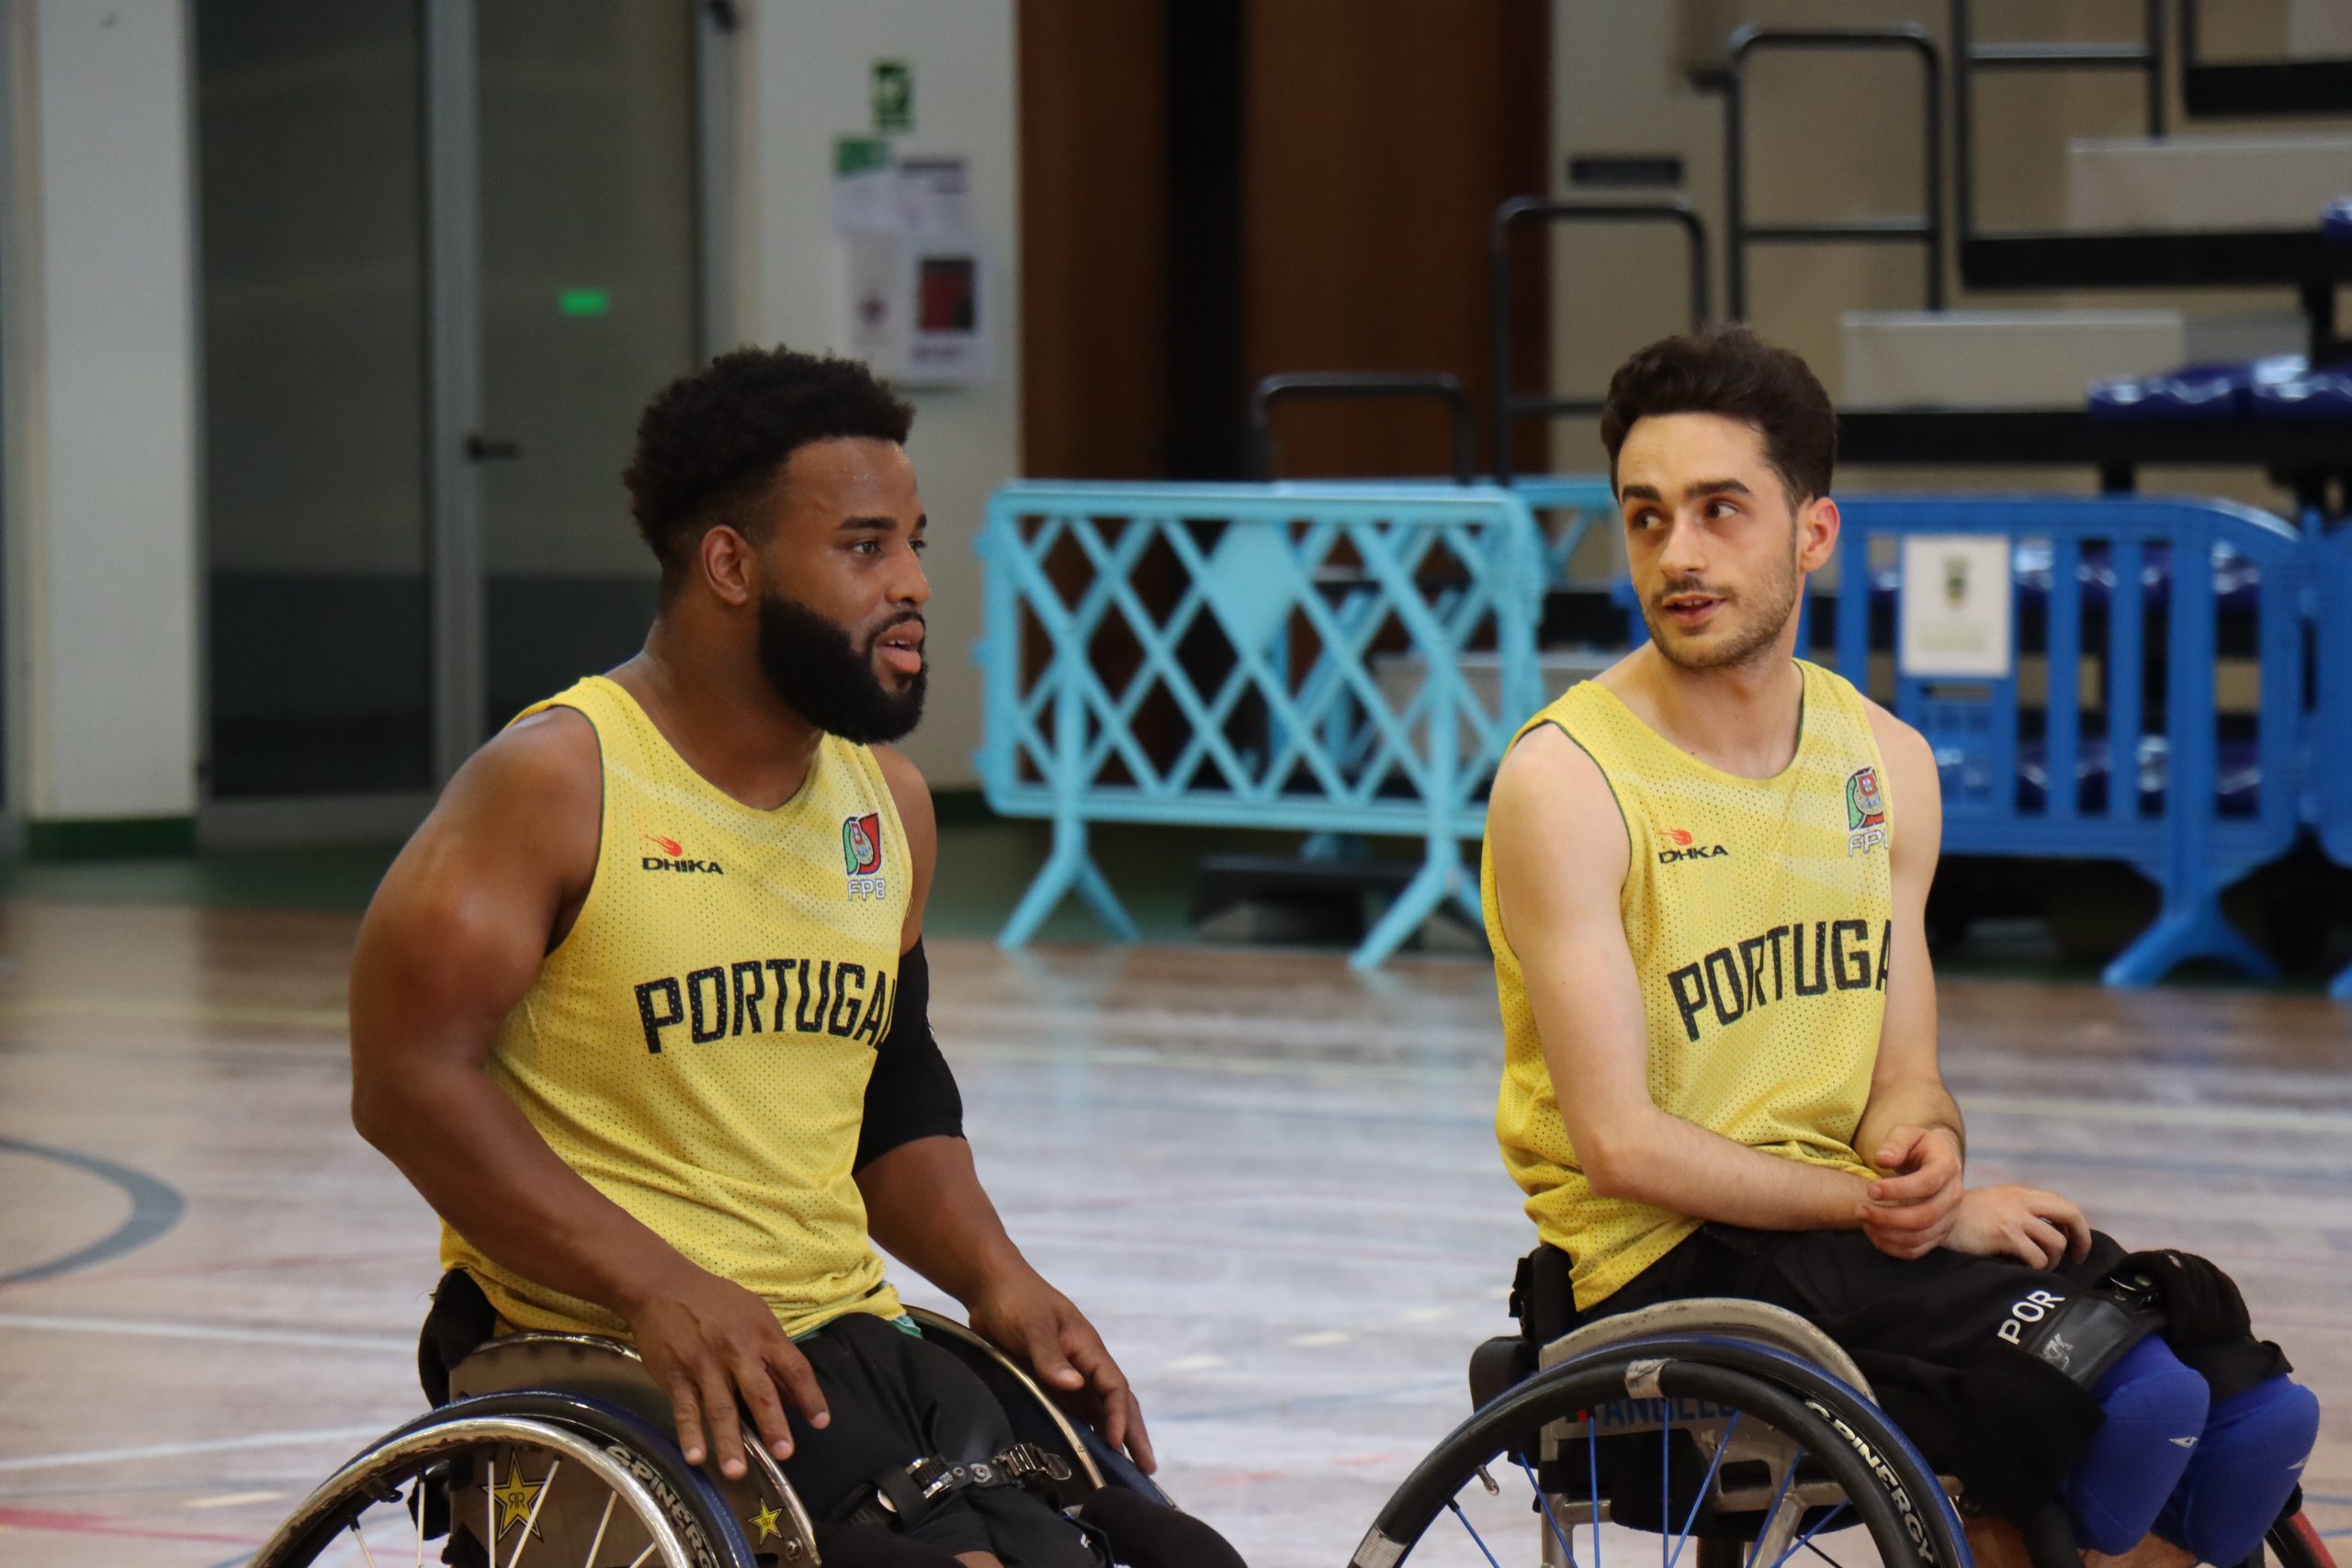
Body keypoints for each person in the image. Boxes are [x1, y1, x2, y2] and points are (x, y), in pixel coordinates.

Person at [348, 346, 1241, 1568]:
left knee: (1185, 1559)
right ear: (732, 565)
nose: (914, 583)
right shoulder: (557, 783)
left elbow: (893, 1094)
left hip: (842, 1342)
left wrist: (999, 1275)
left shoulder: (890, 804)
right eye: (866, 548)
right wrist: (654, 1281)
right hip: (619, 1357)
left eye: (914, 544)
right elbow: (409, 1084)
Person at [1480, 325, 2318, 1567]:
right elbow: (1622, 1145)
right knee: (2129, 1403)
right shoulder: (1567, 781)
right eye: (1646, 517)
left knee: (2247, 1409)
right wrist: (1900, 1210)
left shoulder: (1883, 763)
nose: (1679, 553)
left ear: (1813, 532)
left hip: (1838, 1237)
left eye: (1720, 510)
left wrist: (1922, 1156)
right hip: (1659, 1265)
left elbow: (1904, 1074)